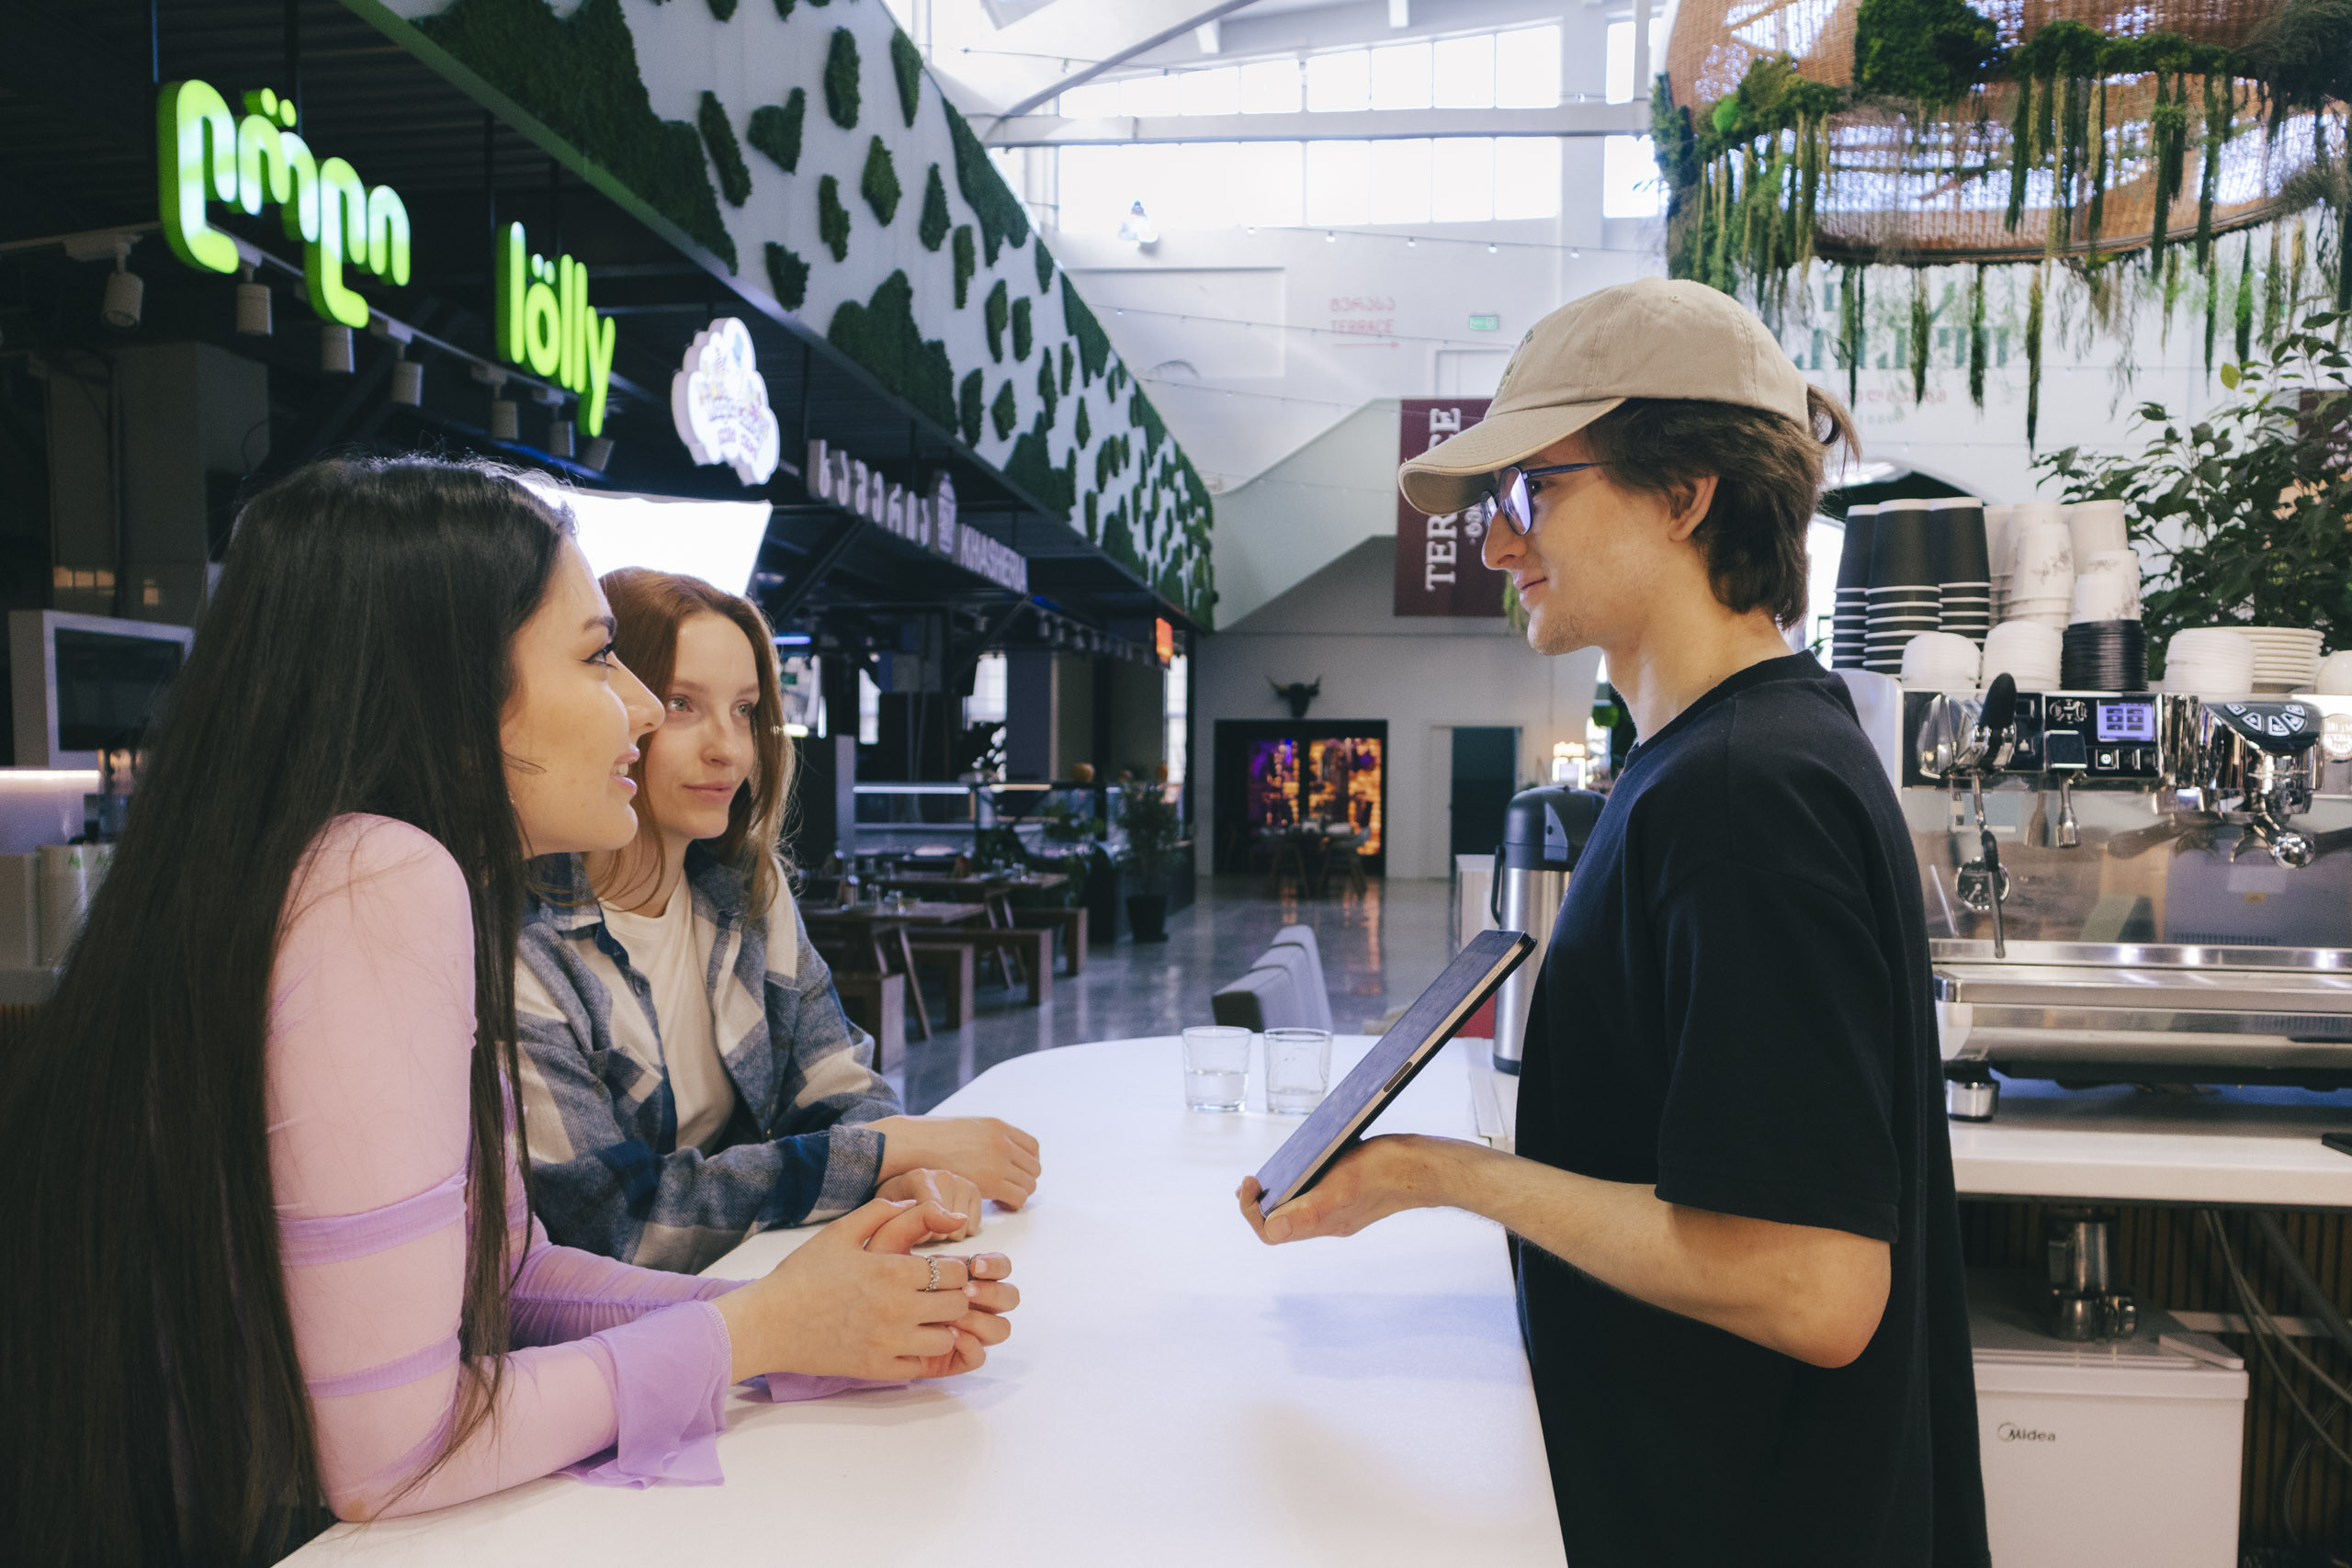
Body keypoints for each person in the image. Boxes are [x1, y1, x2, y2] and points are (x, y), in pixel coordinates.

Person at [0, 458, 1018, 1567]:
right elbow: (396, 1455)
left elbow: (514, 1278)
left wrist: (796, 1316)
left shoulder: (343, 871)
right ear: (447, 683)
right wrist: (756, 1329)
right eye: (598, 658)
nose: (642, 710)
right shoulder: (377, 882)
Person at [1238, 279, 1988, 1567]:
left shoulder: (1745, 792)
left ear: (1685, 491)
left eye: (1534, 490)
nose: (1496, 544)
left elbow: (1812, 1283)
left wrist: (1438, 1174)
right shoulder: (1728, 756)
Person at [515, 567, 1041, 1273]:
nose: (729, 748)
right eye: (681, 704)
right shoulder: (526, 940)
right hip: (643, 1325)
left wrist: (896, 1169)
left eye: (744, 710)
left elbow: (840, 1085)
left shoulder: (749, 891)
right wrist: (887, 1154)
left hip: (764, 1280)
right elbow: (617, 1222)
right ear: (616, 707)